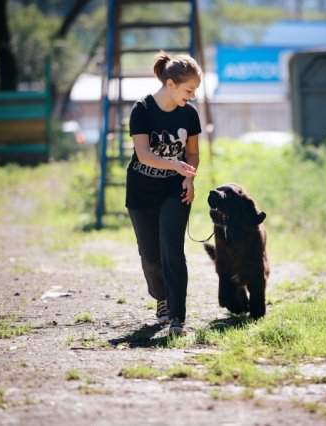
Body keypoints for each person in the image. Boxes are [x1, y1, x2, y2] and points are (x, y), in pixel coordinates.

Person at [126, 50, 202, 336]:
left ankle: (178, 316)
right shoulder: (142, 109)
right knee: (150, 255)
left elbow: (192, 153)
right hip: (141, 190)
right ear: (170, 84)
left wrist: (189, 179)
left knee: (172, 249)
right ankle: (161, 298)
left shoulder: (189, 114)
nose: (192, 96)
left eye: (194, 91)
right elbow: (143, 155)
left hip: (174, 190)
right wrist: (173, 164)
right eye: (188, 90)